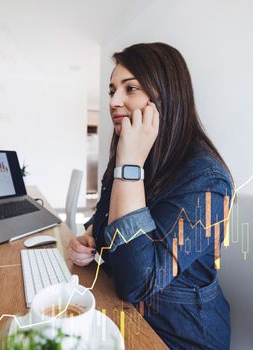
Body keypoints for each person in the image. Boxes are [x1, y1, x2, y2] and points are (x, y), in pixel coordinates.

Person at [67, 42, 233, 350]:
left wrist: (129, 167)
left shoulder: (206, 179)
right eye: (112, 90)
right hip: (123, 316)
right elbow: (105, 216)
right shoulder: (133, 151)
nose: (114, 101)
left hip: (178, 336)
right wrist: (88, 236)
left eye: (130, 89)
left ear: (166, 96)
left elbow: (136, 282)